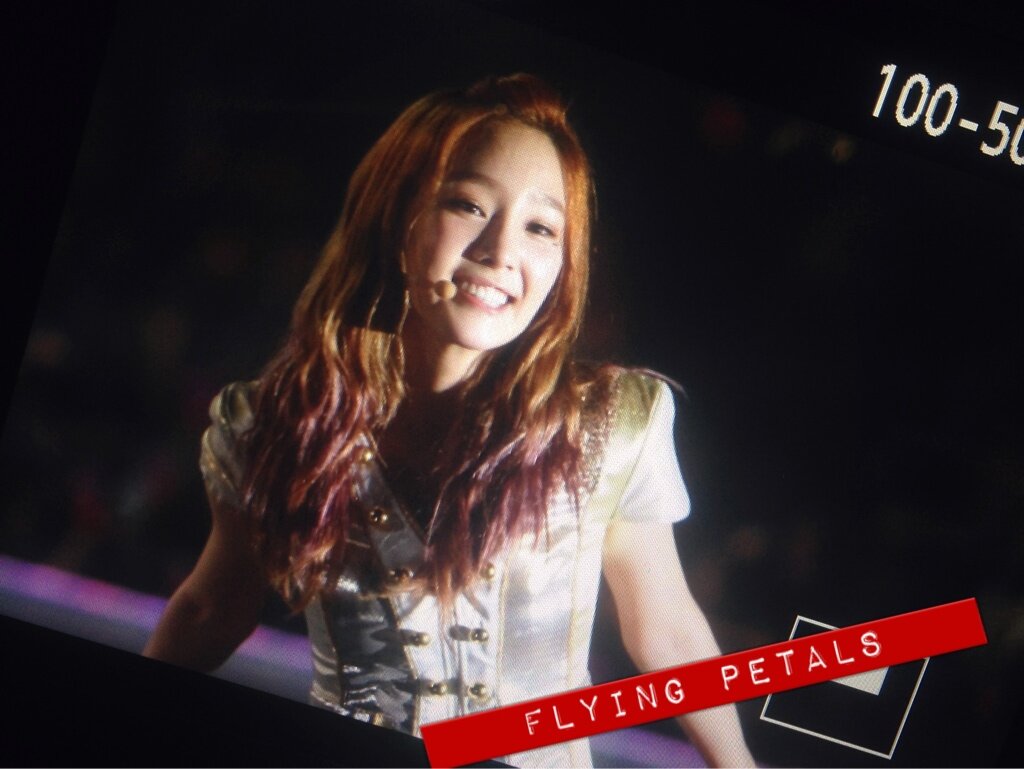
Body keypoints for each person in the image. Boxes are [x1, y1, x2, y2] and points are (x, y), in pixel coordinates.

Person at [144, 73, 754, 767]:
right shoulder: (271, 423)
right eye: (468, 205)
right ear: (396, 217)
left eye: (540, 227)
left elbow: (666, 629)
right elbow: (213, 606)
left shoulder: (609, 425)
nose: (501, 251)